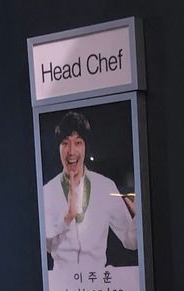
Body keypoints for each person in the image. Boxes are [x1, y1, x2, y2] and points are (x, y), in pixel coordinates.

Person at [42, 111, 137, 272]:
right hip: (62, 282)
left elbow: (131, 242)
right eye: (65, 143)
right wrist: (66, 219)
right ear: (59, 148)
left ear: (85, 146)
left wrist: (139, 219)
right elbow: (46, 246)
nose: (71, 151)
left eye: (78, 142)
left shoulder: (105, 186)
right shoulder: (47, 191)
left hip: (97, 281)